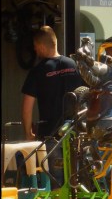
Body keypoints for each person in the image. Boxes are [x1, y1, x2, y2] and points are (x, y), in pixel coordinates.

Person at [21, 26, 84, 186]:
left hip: (51, 135)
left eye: (35, 48)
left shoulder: (38, 71)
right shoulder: (75, 65)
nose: (35, 51)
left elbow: (27, 107)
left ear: (41, 46)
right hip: (76, 135)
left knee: (56, 183)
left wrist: (28, 133)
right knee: (77, 180)